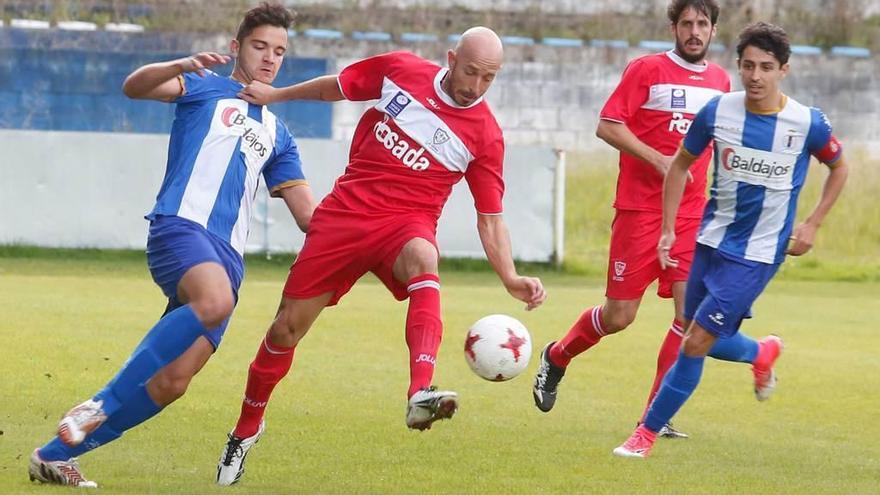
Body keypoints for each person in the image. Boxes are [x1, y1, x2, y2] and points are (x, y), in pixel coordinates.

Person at [213, 26, 547, 486]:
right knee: (285, 328)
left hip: (407, 223)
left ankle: (420, 392)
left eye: (488, 78)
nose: (475, 86)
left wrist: (509, 277)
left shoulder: (486, 136)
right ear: (451, 58)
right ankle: (246, 429)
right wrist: (278, 93)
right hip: (347, 214)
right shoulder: (401, 70)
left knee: (424, 260)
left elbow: (490, 217)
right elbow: (338, 86)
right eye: (470, 71)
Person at [28, 3, 315, 487]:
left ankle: (52, 456)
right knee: (214, 300)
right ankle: (97, 405)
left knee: (173, 382)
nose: (269, 58)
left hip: (228, 260)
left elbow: (311, 217)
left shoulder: (280, 135)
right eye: (260, 46)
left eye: (279, 52)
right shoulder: (205, 87)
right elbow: (134, 86)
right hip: (181, 229)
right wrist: (180, 65)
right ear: (236, 48)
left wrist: (369, 216)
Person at [532, 0, 781, 438]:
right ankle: (557, 355)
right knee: (619, 317)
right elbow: (608, 125)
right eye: (686, 23)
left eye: (702, 24)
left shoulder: (723, 81)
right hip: (639, 212)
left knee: (688, 319)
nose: (694, 31)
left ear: (713, 31)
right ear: (673, 27)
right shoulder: (646, 70)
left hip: (692, 218)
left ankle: (654, 417)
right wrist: (660, 161)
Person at [613, 21, 849, 458]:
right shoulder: (718, 111)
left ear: (784, 70)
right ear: (738, 67)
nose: (755, 76)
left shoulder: (806, 122)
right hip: (709, 241)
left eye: (765, 67)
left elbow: (839, 166)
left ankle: (644, 434)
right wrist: (668, 228)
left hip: (759, 254)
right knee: (695, 332)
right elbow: (680, 165)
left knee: (696, 341)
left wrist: (813, 223)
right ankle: (761, 353)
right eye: (747, 66)